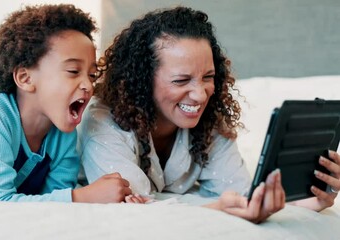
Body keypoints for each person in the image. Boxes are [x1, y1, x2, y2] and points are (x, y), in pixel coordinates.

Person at [77, 6, 340, 222]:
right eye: (181, 80)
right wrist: (218, 209)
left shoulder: (210, 122)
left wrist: (312, 200)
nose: (201, 95)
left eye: (208, 77)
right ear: (142, 80)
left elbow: (241, 197)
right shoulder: (103, 120)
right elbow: (133, 209)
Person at [0, 4, 133, 203]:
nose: (88, 85)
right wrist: (82, 196)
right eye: (73, 71)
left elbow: (54, 198)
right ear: (25, 78)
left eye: (92, 75)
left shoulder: (64, 134)